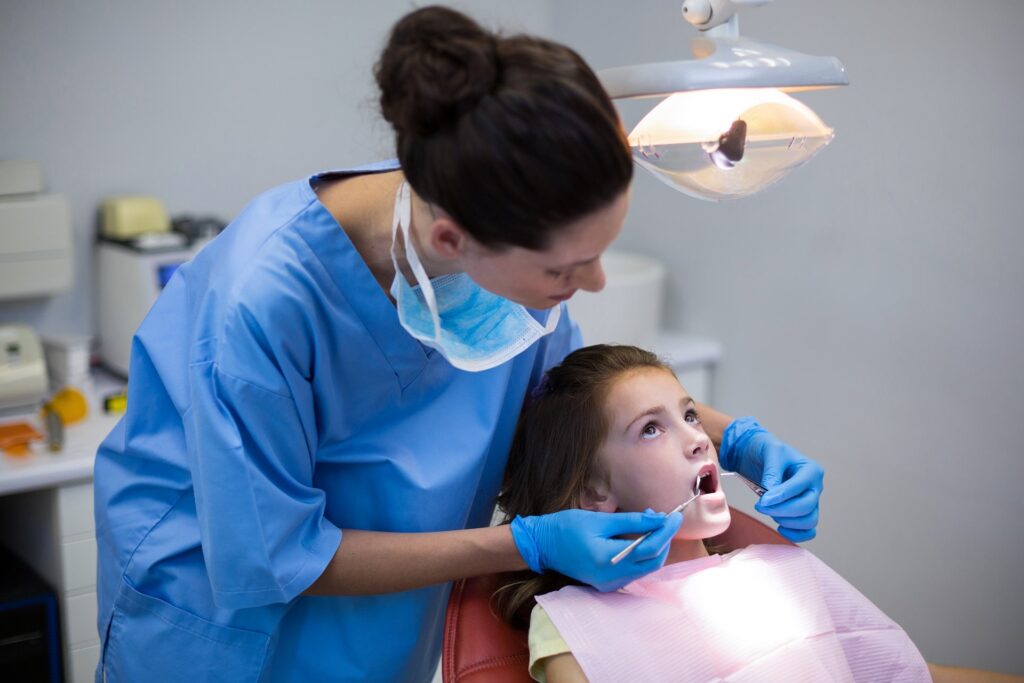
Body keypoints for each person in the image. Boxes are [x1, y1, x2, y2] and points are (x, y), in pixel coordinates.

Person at [92, 6, 824, 682]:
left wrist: (735, 439)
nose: (593, 284)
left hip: (388, 605)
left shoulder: (488, 239)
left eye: (599, 254)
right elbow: (277, 553)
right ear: (452, 239)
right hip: (225, 624)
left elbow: (568, 397)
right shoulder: (261, 304)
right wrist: (525, 545)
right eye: (566, 269)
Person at [496, 344, 1022, 683]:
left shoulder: (776, 572)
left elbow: (905, 674)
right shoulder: (574, 628)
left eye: (688, 415)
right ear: (593, 494)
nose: (701, 440)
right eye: (651, 429)